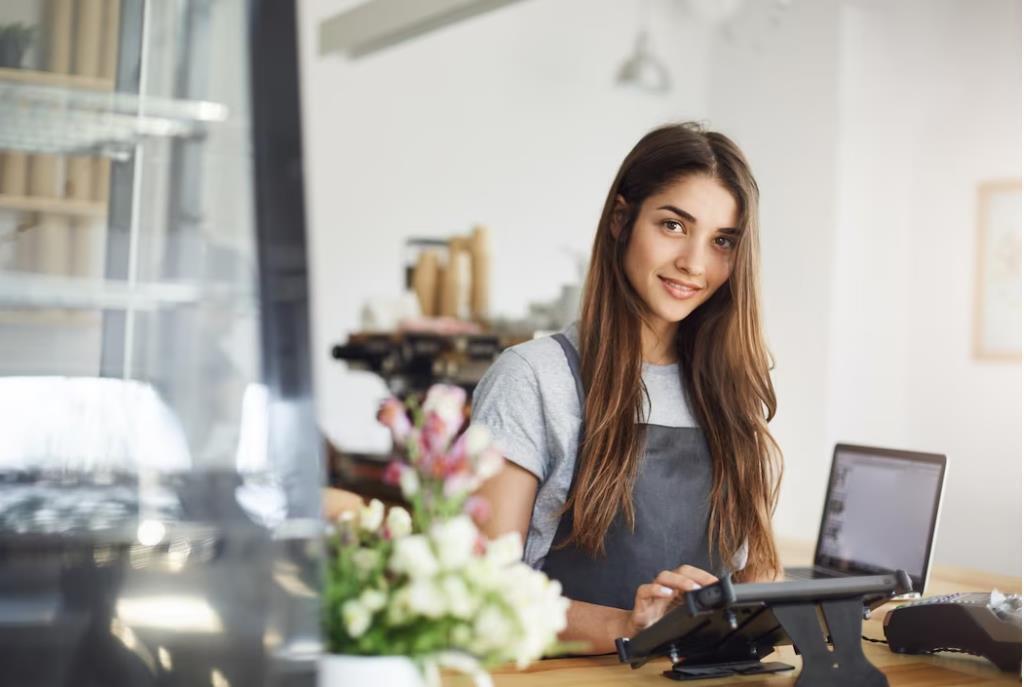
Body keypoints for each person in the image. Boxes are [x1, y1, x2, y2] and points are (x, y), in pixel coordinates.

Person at [471, 122, 783, 654]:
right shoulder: (533, 378)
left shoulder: (729, 390)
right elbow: (482, 593)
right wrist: (635, 626)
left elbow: (756, 566)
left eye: (722, 241)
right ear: (622, 220)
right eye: (673, 225)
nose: (695, 264)